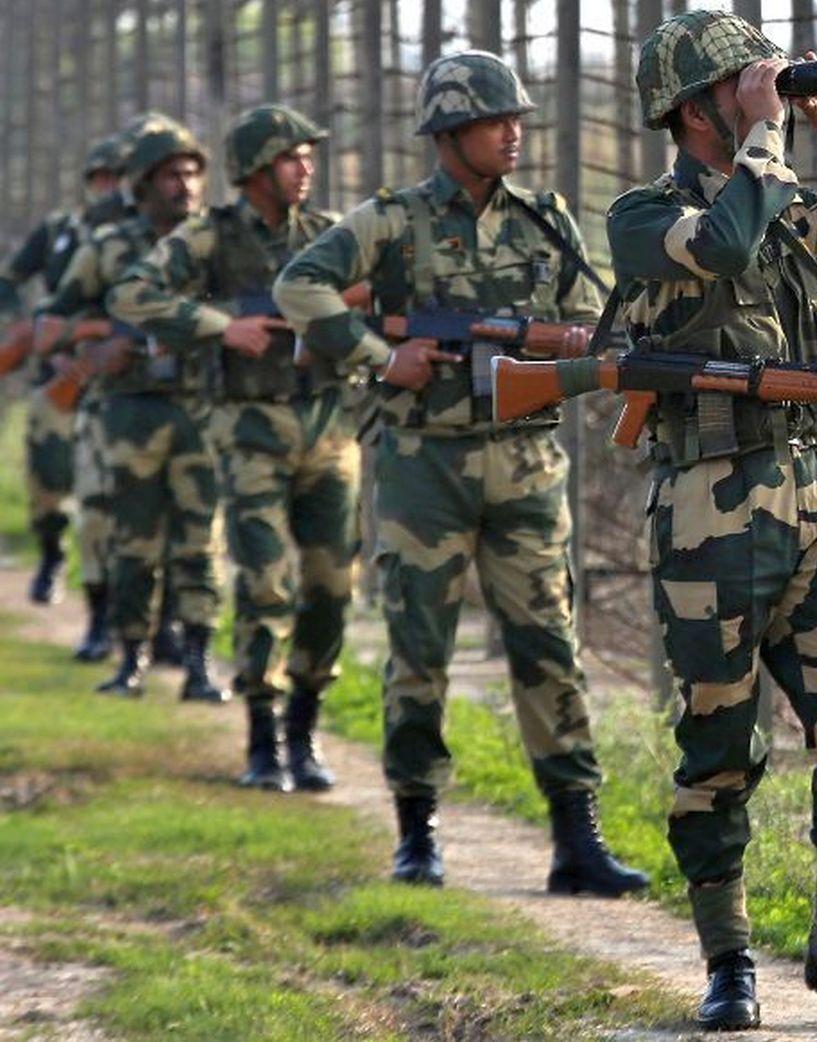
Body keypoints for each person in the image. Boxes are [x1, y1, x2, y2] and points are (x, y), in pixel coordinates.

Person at [607, 10, 817, 1030]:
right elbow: (719, 246)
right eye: (741, 83)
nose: (762, 93)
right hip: (711, 509)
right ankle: (726, 959)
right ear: (691, 104)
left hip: (811, 495)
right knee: (721, 745)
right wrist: (763, 138)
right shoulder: (642, 214)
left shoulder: (786, 201)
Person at [274, 50, 647, 895]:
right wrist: (378, 356)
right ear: (450, 133)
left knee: (549, 646)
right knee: (419, 650)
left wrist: (573, 349)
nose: (514, 132)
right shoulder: (393, 221)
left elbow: (588, 320)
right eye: (495, 120)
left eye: (517, 118)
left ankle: (575, 839)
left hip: (525, 463)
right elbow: (301, 286)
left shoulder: (547, 220)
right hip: (422, 466)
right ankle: (417, 832)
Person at [110, 105, 358, 791]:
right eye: (290, 158)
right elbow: (132, 295)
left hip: (328, 426)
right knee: (263, 580)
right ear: (254, 170)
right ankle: (261, 740)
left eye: (308, 156)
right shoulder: (210, 238)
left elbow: (389, 297)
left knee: (331, 587)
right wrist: (222, 326)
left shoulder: (330, 235)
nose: (304, 168)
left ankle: (304, 731)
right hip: (247, 429)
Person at [82, 115, 225, 702]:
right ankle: (131, 658)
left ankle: (198, 661)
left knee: (200, 542)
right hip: (132, 411)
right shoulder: (109, 248)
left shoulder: (217, 243)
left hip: (201, 408)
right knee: (133, 542)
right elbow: (53, 324)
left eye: (193, 173)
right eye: (171, 174)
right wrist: (99, 346)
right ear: (142, 183)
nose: (185, 185)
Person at [0, 133, 130, 604]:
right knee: (49, 478)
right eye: (102, 178)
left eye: (118, 178)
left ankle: (113, 588)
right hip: (56, 374)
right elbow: (9, 281)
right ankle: (52, 556)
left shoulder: (143, 237)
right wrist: (25, 329)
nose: (109, 187)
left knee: (112, 489)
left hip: (116, 376)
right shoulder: (61, 231)